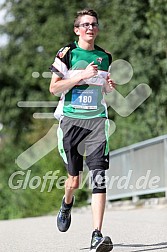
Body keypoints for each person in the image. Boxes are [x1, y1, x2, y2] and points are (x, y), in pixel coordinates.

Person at [49, 9, 115, 252]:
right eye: (85, 24)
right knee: (74, 181)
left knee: (99, 177)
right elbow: (54, 89)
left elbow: (103, 91)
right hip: (71, 123)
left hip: (97, 121)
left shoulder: (105, 56)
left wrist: (108, 87)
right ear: (77, 30)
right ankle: (67, 204)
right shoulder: (67, 54)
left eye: (94, 24)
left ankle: (96, 234)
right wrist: (81, 76)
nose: (90, 28)